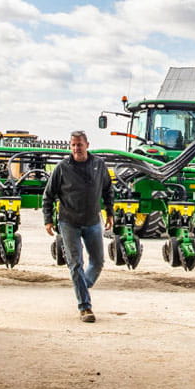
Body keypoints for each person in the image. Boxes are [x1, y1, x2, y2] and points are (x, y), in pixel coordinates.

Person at [43, 130, 114, 323]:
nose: (76, 148)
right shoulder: (62, 168)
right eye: (73, 145)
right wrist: (47, 219)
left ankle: (81, 284)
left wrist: (110, 213)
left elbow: (108, 190)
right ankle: (85, 307)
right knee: (75, 264)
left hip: (92, 221)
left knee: (98, 262)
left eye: (79, 145)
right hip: (69, 222)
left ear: (87, 145)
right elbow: (48, 195)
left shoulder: (99, 165)